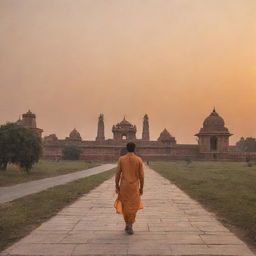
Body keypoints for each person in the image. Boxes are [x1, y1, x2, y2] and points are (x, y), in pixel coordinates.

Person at [114, 142, 144, 235]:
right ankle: (130, 224)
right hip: (134, 186)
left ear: (126, 149)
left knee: (125, 205)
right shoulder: (138, 160)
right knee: (133, 205)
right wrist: (141, 187)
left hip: (124, 186)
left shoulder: (121, 159)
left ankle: (127, 223)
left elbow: (118, 173)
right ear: (134, 149)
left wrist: (116, 184)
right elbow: (141, 176)